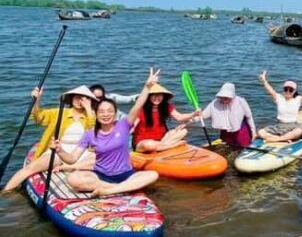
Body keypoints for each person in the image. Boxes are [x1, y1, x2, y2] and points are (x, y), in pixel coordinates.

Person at [53, 69, 161, 197]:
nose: (106, 114)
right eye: (102, 112)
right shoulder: (89, 134)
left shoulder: (123, 125)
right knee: (73, 179)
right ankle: (119, 188)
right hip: (100, 175)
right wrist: (59, 150)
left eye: (110, 111)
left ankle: (108, 191)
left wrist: (147, 86)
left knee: (153, 175)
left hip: (126, 174)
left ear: (115, 114)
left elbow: (137, 105)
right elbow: (71, 159)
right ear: (96, 114)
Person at [3, 85, 97, 192]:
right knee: (30, 169)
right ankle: (5, 192)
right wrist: (37, 99)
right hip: (59, 149)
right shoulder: (59, 112)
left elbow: (95, 133)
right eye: (77, 97)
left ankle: (68, 166)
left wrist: (89, 109)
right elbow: (38, 117)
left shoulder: (93, 115)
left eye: (84, 98)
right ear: (71, 98)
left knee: (99, 161)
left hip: (81, 152)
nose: (80, 100)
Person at [131, 83, 199, 152]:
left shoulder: (166, 106)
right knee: (148, 144)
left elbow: (179, 117)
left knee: (183, 131)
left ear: (164, 96)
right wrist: (129, 130)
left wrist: (194, 114)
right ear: (148, 96)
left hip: (162, 139)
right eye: (154, 95)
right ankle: (172, 145)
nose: (157, 98)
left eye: (160, 95)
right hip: (142, 142)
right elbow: (133, 124)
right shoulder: (140, 109)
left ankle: (161, 146)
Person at [256, 72, 302, 142]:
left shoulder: (298, 100)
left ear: (294, 91)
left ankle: (277, 138)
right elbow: (270, 91)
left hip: (292, 126)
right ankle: (284, 139)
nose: (288, 91)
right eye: (286, 89)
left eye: (291, 90)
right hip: (279, 126)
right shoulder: (279, 98)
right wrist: (264, 81)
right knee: (260, 132)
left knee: (299, 131)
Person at [199, 83, 257, 148]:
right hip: (225, 130)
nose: (224, 100)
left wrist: (253, 131)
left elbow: (249, 117)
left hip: (240, 128)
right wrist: (191, 118)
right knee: (227, 145)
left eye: (226, 98)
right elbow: (203, 115)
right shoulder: (215, 103)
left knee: (243, 145)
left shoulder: (241, 101)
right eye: (222, 98)